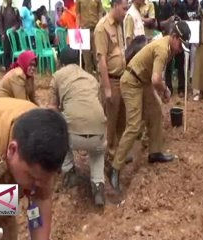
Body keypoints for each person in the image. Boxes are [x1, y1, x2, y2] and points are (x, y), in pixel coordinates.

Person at [108, 21, 191, 193]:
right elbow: (156, 79)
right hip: (131, 82)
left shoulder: (168, 46)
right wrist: (165, 90)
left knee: (155, 112)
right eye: (181, 44)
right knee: (133, 126)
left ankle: (155, 152)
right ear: (174, 37)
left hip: (142, 81)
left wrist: (160, 91)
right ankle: (115, 168)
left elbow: (152, 78)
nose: (181, 49)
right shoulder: (162, 49)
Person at [0, 97, 69, 240]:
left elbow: (41, 198)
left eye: (43, 180)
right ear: (12, 150)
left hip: (1, 162)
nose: (37, 186)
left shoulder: (43, 136)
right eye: (32, 178)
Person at [47, 47, 107, 207]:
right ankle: (98, 184)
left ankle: (68, 172)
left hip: (73, 135)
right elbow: (98, 104)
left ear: (60, 62)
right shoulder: (91, 78)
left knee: (56, 129)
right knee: (97, 152)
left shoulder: (57, 76)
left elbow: (52, 111)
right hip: (98, 131)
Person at [94, 0, 128, 167]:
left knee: (122, 118)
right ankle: (108, 157)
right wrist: (107, 88)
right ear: (114, 6)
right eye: (123, 8)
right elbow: (102, 61)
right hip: (112, 80)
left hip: (123, 78)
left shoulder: (120, 25)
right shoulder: (102, 28)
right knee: (111, 121)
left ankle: (119, 153)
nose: (125, 12)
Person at [165, 0, 188, 97]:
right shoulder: (166, 6)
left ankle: (181, 89)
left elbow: (187, 21)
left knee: (180, 65)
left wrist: (180, 21)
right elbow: (159, 23)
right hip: (168, 39)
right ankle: (168, 88)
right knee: (168, 66)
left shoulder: (182, 5)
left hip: (179, 40)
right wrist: (168, 21)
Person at [76, 0, 104, 74]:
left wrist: (101, 28)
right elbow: (78, 15)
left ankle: (100, 78)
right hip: (84, 31)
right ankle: (88, 79)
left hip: (96, 30)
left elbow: (100, 13)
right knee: (87, 58)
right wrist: (77, 30)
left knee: (97, 56)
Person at [0, 0, 21, 70]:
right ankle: (7, 67)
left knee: (15, 50)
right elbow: (1, 23)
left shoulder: (16, 10)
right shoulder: (2, 10)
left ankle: (16, 66)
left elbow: (19, 22)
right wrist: (2, 33)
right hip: (5, 34)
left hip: (14, 34)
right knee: (7, 51)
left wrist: (15, 27)